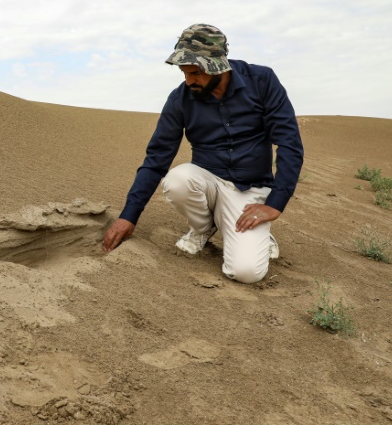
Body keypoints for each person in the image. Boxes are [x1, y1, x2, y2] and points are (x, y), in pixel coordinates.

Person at [102, 23, 303, 284]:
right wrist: (128, 216)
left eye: (195, 72)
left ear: (218, 65)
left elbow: (289, 144)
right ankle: (203, 227)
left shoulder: (262, 82)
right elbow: (157, 158)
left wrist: (275, 203)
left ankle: (257, 229)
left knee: (246, 273)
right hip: (207, 182)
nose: (189, 81)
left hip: (250, 189)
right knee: (177, 180)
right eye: (184, 72)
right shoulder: (180, 99)